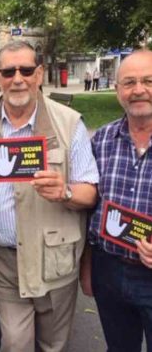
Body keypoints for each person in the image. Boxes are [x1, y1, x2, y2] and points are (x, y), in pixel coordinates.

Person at [0, 41, 98, 352]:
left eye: (26, 70)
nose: (18, 79)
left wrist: (64, 191)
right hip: (1, 261)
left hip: (53, 260)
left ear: (39, 74)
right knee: (15, 343)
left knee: (53, 345)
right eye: (9, 71)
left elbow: (90, 193)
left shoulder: (69, 123)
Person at [82, 50, 152, 352]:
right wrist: (88, 267)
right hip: (108, 270)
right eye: (129, 82)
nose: (138, 90)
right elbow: (89, 208)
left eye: (149, 81)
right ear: (117, 90)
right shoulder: (101, 140)